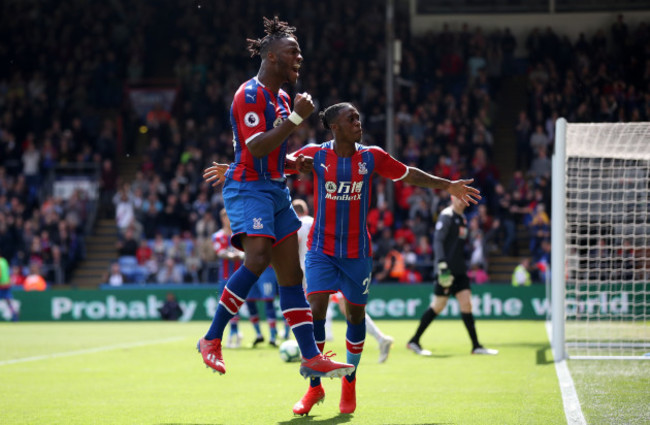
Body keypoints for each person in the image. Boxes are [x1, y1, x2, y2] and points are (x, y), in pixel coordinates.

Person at [285, 102, 481, 415]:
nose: (357, 122)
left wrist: (448, 185)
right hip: (321, 249)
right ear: (334, 127)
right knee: (316, 311)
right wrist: (261, 168)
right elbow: (278, 165)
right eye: (351, 118)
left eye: (358, 117)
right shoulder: (316, 154)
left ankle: (349, 381)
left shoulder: (371, 156)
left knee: (355, 317)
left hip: (357, 252)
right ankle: (314, 387)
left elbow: (408, 174)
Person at [196, 16, 355, 381]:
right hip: (249, 188)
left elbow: (266, 150)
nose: (300, 57)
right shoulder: (248, 94)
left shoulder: (282, 97)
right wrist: (297, 119)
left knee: (291, 274)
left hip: (274, 188)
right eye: (293, 51)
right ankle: (212, 338)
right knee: (257, 258)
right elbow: (255, 145)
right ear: (271, 57)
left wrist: (290, 163)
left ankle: (311, 356)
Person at [293, 199, 395, 365]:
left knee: (322, 307)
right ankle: (375, 338)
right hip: (334, 264)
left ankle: (315, 351)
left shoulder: (300, 223)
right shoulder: (316, 221)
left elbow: (294, 243)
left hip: (317, 270)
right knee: (341, 306)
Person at [407, 196, 498, 357]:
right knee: (438, 305)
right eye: (459, 197)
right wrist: (442, 265)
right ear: (452, 198)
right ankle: (414, 340)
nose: (462, 201)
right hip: (446, 270)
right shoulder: (446, 216)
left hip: (460, 270)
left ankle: (476, 346)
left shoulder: (463, 219)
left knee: (466, 304)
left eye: (465, 198)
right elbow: (438, 242)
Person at [0, 249, 18, 321]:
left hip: (1, 285)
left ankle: (14, 314)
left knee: (8, 300)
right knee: (8, 301)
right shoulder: (4, 261)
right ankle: (14, 314)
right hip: (7, 284)